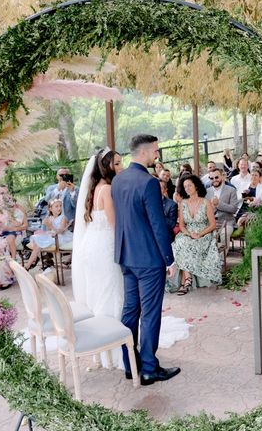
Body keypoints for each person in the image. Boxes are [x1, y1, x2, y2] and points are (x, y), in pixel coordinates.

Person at [111, 134, 180, 386]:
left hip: (125, 256)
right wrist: (169, 260)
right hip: (149, 260)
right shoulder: (148, 183)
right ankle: (149, 367)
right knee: (150, 313)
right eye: (155, 151)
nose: (157, 155)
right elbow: (158, 225)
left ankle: (131, 365)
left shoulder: (118, 180)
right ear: (145, 152)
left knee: (130, 311)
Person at [71, 148, 124, 367]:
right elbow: (114, 225)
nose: (121, 167)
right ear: (107, 166)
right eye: (118, 163)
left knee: (98, 293)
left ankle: (100, 350)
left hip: (90, 248)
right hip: (104, 248)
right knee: (111, 292)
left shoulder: (93, 189)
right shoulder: (108, 189)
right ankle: (113, 349)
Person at [170, 175, 221, 295]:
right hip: (188, 232)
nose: (187, 188)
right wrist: (189, 234)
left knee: (187, 245)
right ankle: (188, 279)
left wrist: (199, 234)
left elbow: (213, 225)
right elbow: (182, 225)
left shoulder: (205, 202)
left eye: (189, 185)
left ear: (196, 186)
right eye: (185, 186)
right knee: (179, 243)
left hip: (204, 233)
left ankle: (186, 281)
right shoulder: (183, 203)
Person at [25, 199, 73, 269]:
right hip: (52, 235)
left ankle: (30, 264)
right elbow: (46, 230)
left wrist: (50, 226)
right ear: (50, 209)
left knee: (39, 244)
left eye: (60, 206)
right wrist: (46, 226)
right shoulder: (49, 218)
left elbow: (61, 231)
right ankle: (33, 261)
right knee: (36, 238)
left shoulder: (63, 218)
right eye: (56, 206)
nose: (59, 208)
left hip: (61, 237)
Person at [205, 168, 240, 247]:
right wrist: (212, 208)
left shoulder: (231, 190)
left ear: (222, 176)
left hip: (227, 222)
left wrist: (218, 204)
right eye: (211, 178)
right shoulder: (207, 192)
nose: (214, 180)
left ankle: (221, 257)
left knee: (224, 234)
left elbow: (234, 209)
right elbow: (204, 210)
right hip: (211, 223)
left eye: (216, 177)